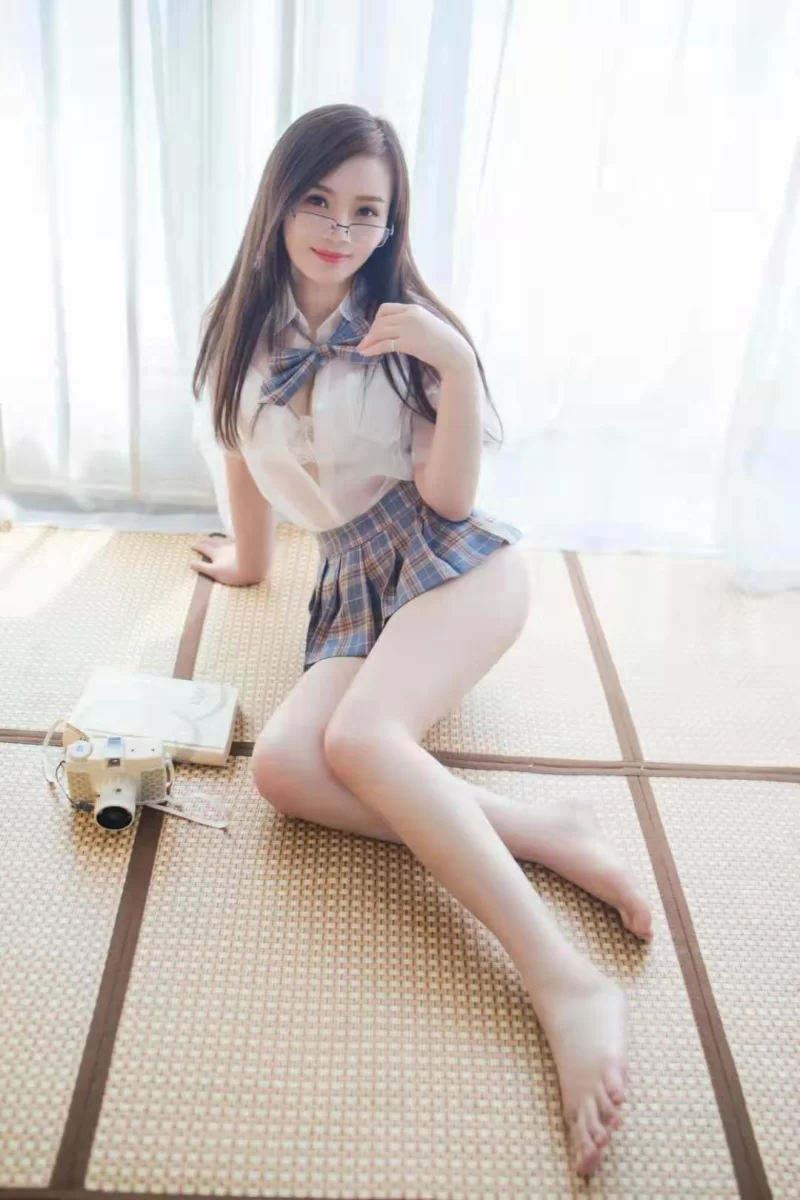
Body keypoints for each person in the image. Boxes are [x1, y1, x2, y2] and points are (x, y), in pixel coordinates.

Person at [190, 103, 653, 1178]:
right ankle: (540, 830)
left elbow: (446, 501)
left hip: (451, 563)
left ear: (392, 223)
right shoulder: (239, 328)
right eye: (317, 201)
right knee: (284, 770)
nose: (339, 230)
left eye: (367, 211)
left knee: (361, 739)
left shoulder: (407, 332)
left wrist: (456, 366)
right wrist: (251, 563)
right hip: (354, 582)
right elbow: (237, 449)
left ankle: (561, 979)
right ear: (277, 201)